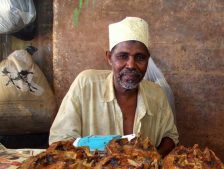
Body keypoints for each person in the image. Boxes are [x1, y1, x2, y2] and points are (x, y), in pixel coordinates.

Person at [49, 17, 178, 157]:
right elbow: (60, 140)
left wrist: (153, 160)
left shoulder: (156, 94)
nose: (131, 65)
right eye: (123, 56)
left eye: (140, 57)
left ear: (147, 60)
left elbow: (170, 136)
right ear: (109, 57)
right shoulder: (86, 85)